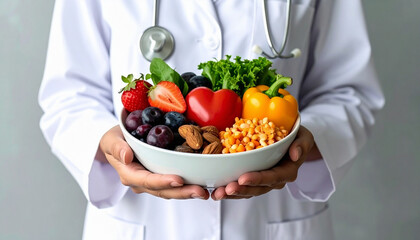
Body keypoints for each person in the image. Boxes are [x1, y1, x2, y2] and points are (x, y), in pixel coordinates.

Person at [38, 0, 385, 239]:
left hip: (270, 219)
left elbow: (349, 90)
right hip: (141, 222)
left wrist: (305, 143)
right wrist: (110, 146)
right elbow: (68, 93)